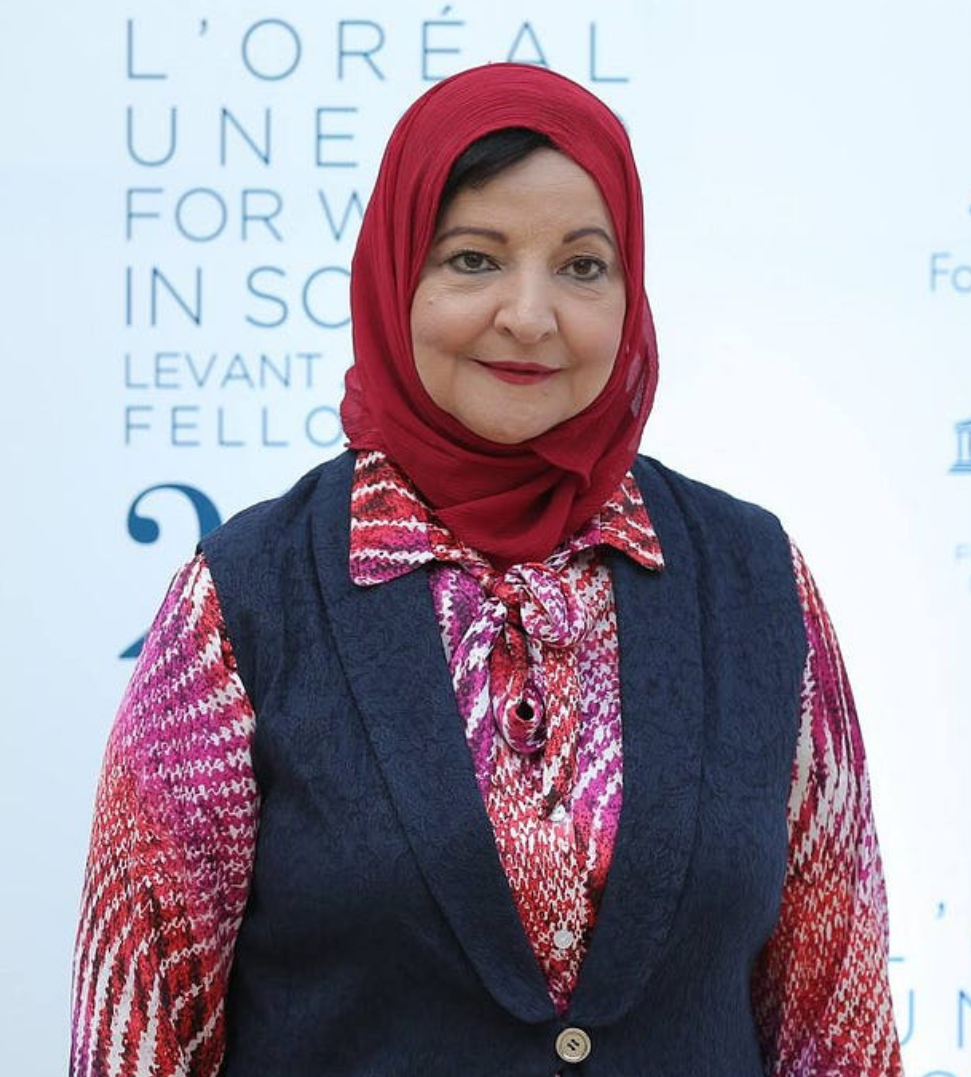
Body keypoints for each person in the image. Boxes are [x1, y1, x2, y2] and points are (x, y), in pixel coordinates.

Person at [71, 63, 902, 1076]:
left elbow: (837, 1021)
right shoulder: (247, 598)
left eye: (582, 266)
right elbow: (138, 1025)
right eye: (473, 259)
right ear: (395, 277)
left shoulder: (753, 580)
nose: (529, 315)